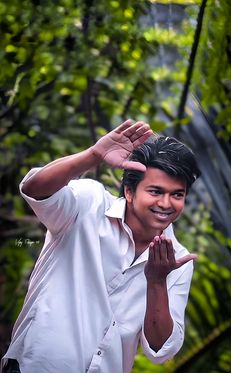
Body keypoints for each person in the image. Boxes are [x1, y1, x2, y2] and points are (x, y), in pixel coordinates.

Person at [1, 119, 201, 373]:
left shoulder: (178, 261)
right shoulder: (89, 203)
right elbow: (34, 189)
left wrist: (157, 281)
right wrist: (93, 155)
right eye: (155, 191)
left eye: (177, 195)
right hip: (33, 365)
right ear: (129, 191)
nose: (165, 203)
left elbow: (161, 350)